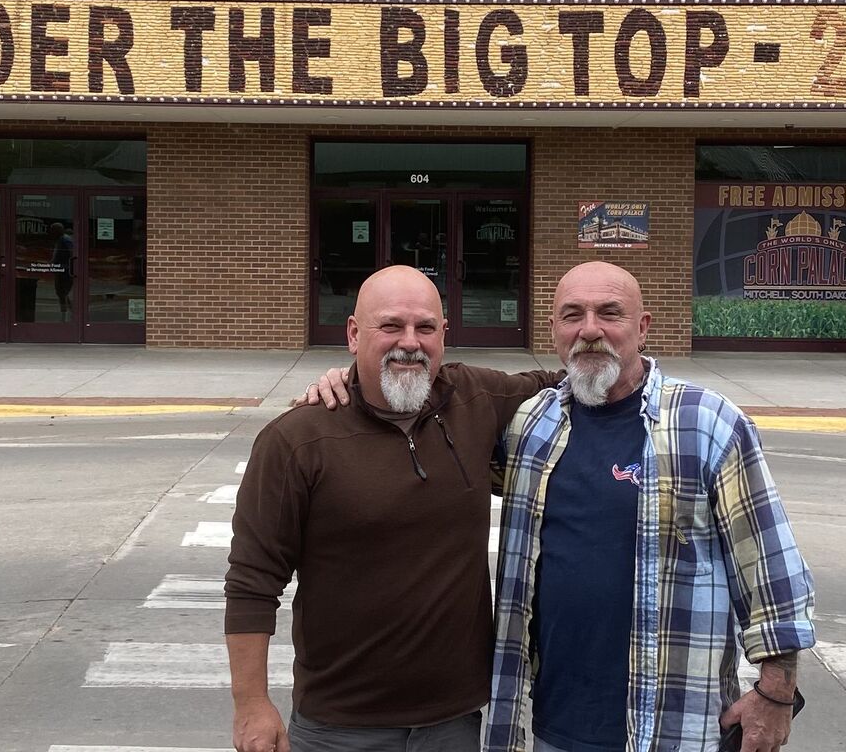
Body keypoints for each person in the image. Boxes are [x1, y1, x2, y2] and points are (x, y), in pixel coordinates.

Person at [224, 265, 561, 752]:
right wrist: (251, 703)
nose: (410, 341)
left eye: (425, 327)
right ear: (354, 335)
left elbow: (579, 378)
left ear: (444, 335)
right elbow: (252, 583)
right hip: (337, 726)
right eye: (390, 326)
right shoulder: (297, 440)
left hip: (455, 721)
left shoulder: (477, 399)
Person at [484, 260, 815, 752]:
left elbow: (770, 571)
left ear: (642, 328)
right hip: (554, 725)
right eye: (572, 314)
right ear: (553, 329)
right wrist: (344, 383)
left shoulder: (706, 423)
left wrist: (777, 694)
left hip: (675, 730)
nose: (590, 329)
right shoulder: (530, 426)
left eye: (609, 313)